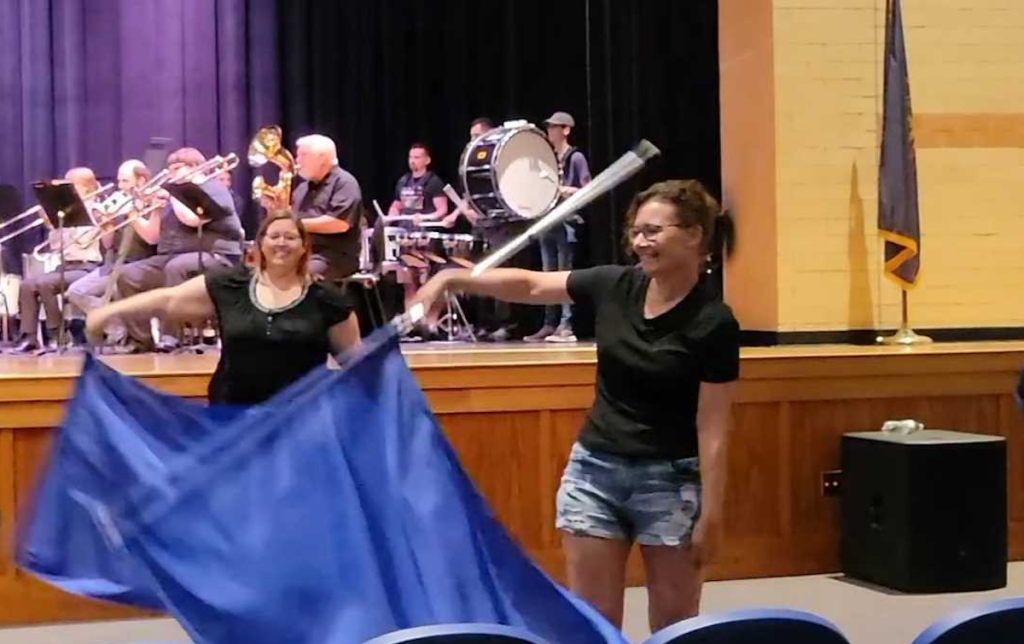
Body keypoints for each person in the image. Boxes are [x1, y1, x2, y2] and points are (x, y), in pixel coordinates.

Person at [412, 180, 739, 631]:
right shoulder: (615, 285)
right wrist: (454, 277)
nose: (639, 242)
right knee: (592, 626)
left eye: (653, 231)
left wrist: (713, 513)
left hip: (671, 483)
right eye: (636, 231)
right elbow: (530, 285)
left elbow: (714, 426)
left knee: (674, 624)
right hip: (595, 474)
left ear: (695, 235)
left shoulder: (713, 322)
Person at [88, 210, 361, 404]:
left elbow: (356, 367)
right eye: (274, 236)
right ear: (260, 244)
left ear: (304, 247)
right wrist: (110, 312)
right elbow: (168, 299)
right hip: (232, 420)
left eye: (290, 238)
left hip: (301, 424)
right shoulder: (231, 285)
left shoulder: (328, 301)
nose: (281, 243)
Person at [116, 147, 244, 351]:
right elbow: (153, 237)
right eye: (170, 169)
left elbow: (194, 220)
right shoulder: (174, 198)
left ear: (196, 168)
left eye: (177, 168)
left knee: (176, 268)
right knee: (127, 275)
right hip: (173, 258)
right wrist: (142, 213)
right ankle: (141, 341)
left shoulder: (213, 187)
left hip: (218, 257)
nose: (171, 173)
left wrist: (173, 193)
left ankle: (170, 336)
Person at [65, 159, 156, 347]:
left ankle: (125, 333)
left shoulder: (152, 203)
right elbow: (107, 245)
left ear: (140, 181)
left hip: (139, 264)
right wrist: (108, 223)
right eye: (119, 181)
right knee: (76, 291)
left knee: (118, 290)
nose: (120, 186)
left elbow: (151, 239)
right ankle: (117, 327)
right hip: (113, 264)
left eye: (125, 181)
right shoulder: (118, 202)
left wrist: (132, 214)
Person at [12, 167, 104, 353]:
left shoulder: (96, 210)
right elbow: (56, 247)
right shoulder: (65, 212)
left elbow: (85, 242)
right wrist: (52, 224)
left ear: (86, 188)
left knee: (45, 284)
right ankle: (29, 337)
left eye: (72, 186)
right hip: (65, 266)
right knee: (27, 285)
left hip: (87, 268)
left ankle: (58, 335)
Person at [525, 111, 592, 343]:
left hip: (567, 222)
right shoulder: (549, 158)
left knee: (564, 275)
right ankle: (549, 323)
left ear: (566, 130)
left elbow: (588, 189)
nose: (550, 131)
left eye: (555, 127)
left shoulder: (575, 157)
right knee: (547, 275)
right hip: (548, 221)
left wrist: (565, 191)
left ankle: (567, 326)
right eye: (549, 127)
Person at [385, 143, 448, 339]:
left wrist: (426, 218)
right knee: (408, 282)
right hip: (405, 236)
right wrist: (390, 217)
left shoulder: (433, 182)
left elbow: (442, 210)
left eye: (418, 157)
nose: (413, 161)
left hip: (425, 236)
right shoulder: (403, 181)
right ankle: (412, 324)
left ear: (427, 160)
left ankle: (430, 323)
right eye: (411, 157)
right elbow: (396, 205)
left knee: (427, 281)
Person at [290, 134, 364, 281]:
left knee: (298, 276)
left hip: (333, 255)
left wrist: (295, 224)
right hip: (303, 252)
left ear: (322, 157)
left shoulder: (344, 182)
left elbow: (339, 223)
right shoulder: (302, 188)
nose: (297, 161)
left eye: (303, 155)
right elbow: (291, 216)